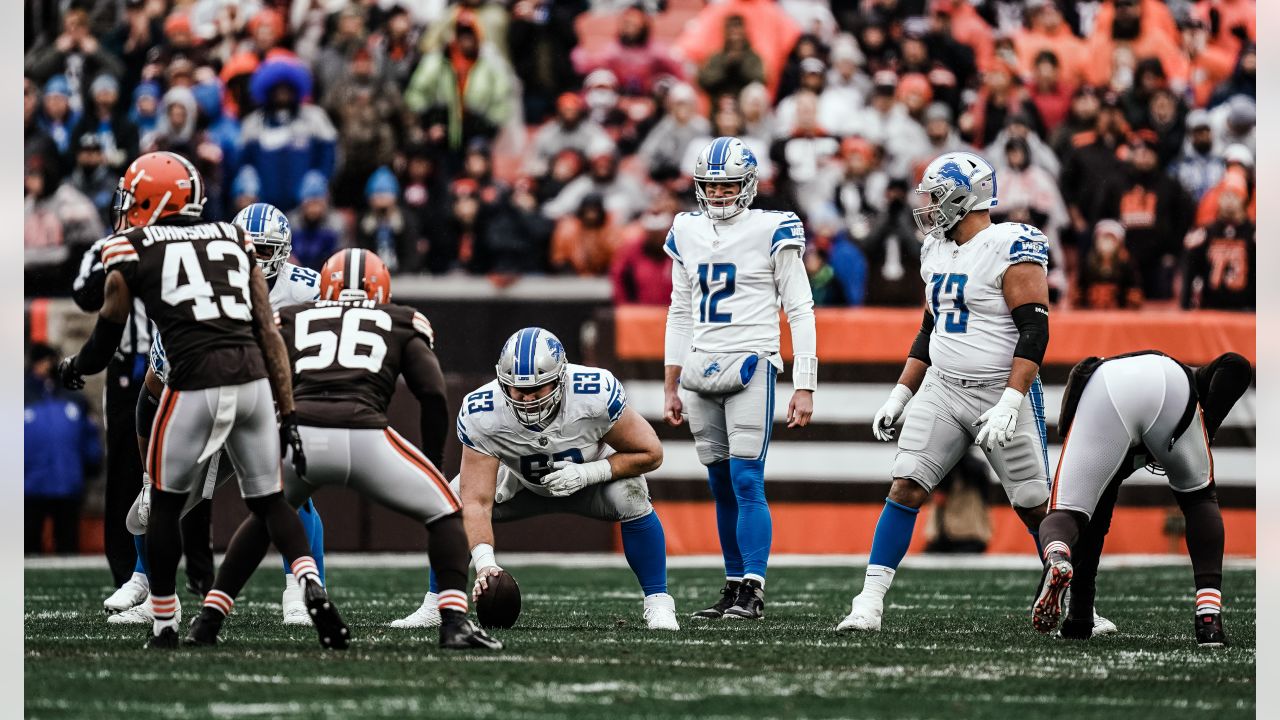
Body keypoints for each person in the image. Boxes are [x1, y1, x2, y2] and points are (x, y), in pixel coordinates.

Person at [55, 151, 340, 650]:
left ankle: (164, 615)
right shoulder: (231, 239)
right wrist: (291, 412)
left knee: (161, 501)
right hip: (255, 383)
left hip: (197, 384)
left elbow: (96, 318)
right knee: (273, 497)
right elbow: (271, 340)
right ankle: (304, 581)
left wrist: (75, 366)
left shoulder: (135, 248)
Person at [838, 151, 1112, 636]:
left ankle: (1083, 607)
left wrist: (1011, 401)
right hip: (942, 389)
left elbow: (1034, 333)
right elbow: (930, 328)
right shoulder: (935, 249)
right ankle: (868, 602)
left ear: (967, 197)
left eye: (936, 195)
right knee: (905, 485)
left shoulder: (1012, 243)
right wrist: (902, 393)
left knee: (1037, 507)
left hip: (998, 392)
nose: (926, 206)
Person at [190, 249, 500, 650]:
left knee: (263, 518)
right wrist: (434, 462)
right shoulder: (403, 319)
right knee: (445, 511)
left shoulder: (294, 315)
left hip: (301, 434)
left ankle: (209, 620)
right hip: (366, 434)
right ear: (382, 286)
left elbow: (257, 375)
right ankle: (454, 621)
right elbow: (433, 393)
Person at [105, 203, 329, 628]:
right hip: (205, 402)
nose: (254, 260)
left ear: (283, 253)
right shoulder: (197, 294)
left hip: (269, 406)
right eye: (247, 249)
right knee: (154, 500)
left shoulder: (306, 290)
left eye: (264, 251)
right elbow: (153, 386)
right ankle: (146, 583)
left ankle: (298, 589)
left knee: (291, 490)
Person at [393, 327, 678, 631]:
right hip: (520, 483)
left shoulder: (593, 392)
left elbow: (650, 453)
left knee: (632, 494)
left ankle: (659, 603)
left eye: (537, 389)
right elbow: (476, 500)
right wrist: (485, 563)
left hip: (592, 480)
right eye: (518, 390)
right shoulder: (484, 410)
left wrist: (587, 473)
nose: (527, 400)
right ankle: (437, 603)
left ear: (560, 379)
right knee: (454, 502)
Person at [663, 137, 817, 621]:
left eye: (729, 185)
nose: (720, 195)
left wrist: (805, 381)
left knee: (746, 478)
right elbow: (680, 309)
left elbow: (800, 308)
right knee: (720, 483)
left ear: (748, 185)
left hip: (753, 359)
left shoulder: (772, 227)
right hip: (700, 365)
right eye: (712, 186)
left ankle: (753, 586)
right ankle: (732, 585)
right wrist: (669, 381)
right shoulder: (686, 228)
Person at [1034, 351, 1252, 647]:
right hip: (1170, 386)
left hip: (1106, 391)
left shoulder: (1091, 407)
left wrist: (1079, 621)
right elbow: (1236, 364)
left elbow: (1093, 529)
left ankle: (1058, 556)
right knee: (1199, 499)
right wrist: (1206, 427)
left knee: (1067, 513)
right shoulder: (1188, 380)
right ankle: (1209, 618)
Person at [25, 343, 102, 555]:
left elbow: (89, 432)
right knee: (28, 544)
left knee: (67, 544)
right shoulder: (21, 395)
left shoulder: (74, 396)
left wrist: (92, 463)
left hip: (67, 481)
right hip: (30, 484)